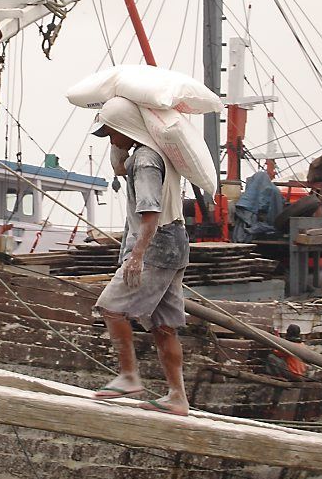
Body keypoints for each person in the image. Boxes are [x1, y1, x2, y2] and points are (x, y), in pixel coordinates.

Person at [88, 97, 191, 416]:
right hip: (176, 244)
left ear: (129, 128)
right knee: (163, 326)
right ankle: (177, 397)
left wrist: (137, 255)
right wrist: (120, 151)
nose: (112, 139)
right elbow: (120, 166)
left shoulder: (144, 160)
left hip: (156, 246)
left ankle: (129, 376)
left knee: (110, 308)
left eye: (113, 133)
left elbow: (149, 212)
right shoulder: (156, 154)